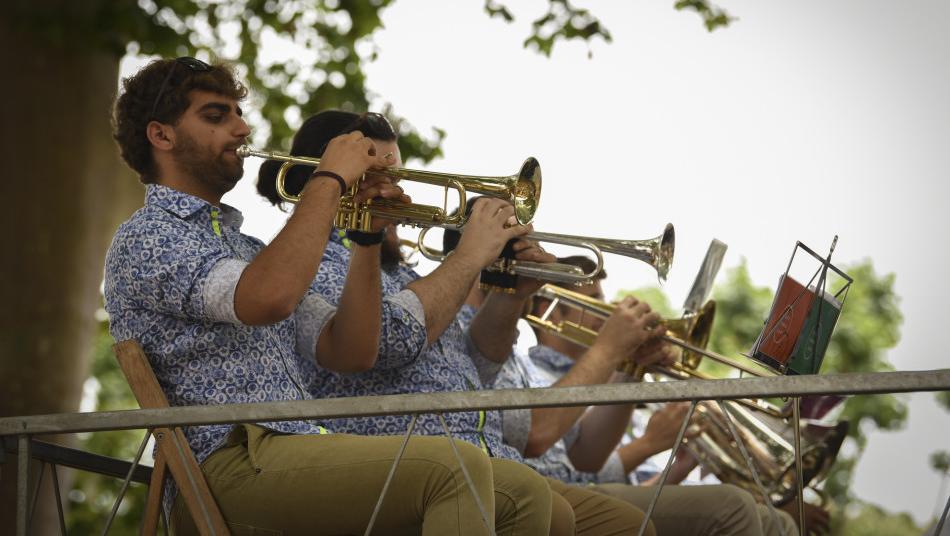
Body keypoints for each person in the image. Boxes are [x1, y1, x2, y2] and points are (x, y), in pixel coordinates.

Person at [104, 56, 554, 536]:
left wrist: (365, 240)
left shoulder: (246, 248)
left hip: (290, 446)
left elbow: (351, 350)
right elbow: (268, 298)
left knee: (524, 494)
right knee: (450, 469)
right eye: (217, 116)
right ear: (162, 136)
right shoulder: (148, 235)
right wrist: (330, 179)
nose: (241, 128)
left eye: (239, 113)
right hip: (225, 461)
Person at [256, 110, 658, 536]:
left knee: (629, 527)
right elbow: (385, 344)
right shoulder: (311, 260)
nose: (397, 190)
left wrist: (510, 295)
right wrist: (468, 257)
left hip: (483, 454)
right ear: (335, 174)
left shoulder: (402, 272)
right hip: (406, 461)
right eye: (381, 175)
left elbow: (477, 368)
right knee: (548, 510)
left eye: (399, 176)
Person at [496, 253, 823, 536]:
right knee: (733, 506)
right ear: (552, 312)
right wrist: (649, 439)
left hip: (591, 492)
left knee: (774, 521)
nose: (609, 312)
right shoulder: (532, 372)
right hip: (563, 496)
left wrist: (632, 366)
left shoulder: (598, 376)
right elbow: (581, 466)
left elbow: (587, 456)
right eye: (594, 301)